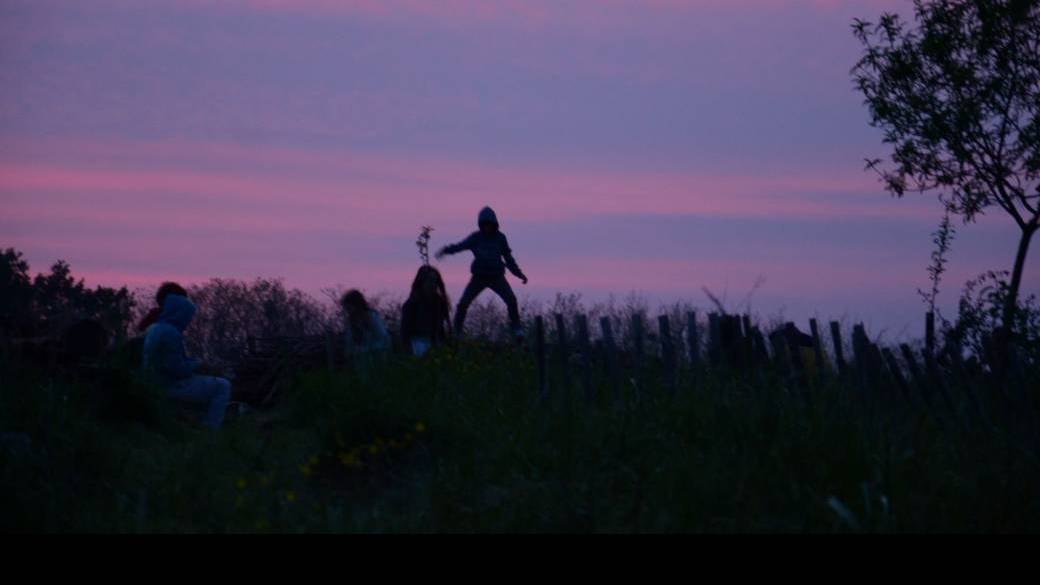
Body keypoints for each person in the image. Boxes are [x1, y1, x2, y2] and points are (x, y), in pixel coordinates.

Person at [435, 206, 528, 340]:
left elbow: (508, 258)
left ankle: (516, 328)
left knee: (511, 300)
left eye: (489, 224)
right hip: (479, 277)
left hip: (496, 276)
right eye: (484, 225)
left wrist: (519, 274)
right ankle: (457, 332)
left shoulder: (500, 238)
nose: (487, 228)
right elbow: (460, 246)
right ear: (481, 225)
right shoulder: (476, 237)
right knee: (463, 303)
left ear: (494, 224)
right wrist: (446, 250)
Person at [142, 293, 231, 429]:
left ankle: (195, 423)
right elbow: (177, 369)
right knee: (222, 386)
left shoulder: (155, 329)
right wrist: (198, 365)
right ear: (180, 313)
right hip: (168, 385)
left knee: (205, 383)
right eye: (187, 316)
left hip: (153, 381)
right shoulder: (171, 333)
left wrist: (193, 363)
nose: (188, 321)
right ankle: (210, 428)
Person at [400, 265, 452, 357]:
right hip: (417, 344)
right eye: (429, 281)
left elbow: (441, 328)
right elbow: (405, 332)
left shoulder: (439, 303)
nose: (433, 284)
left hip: (436, 344)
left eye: (435, 281)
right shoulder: (412, 304)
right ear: (422, 282)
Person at [340, 290, 391, 356]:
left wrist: (367, 350)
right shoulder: (351, 322)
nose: (347, 311)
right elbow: (350, 343)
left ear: (356, 305)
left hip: (376, 354)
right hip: (360, 357)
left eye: (349, 307)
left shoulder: (371, 317)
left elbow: (383, 338)